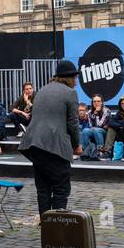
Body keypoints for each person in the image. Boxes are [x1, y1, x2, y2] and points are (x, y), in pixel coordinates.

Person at [18, 60, 81, 214]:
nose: (76, 81)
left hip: (34, 144)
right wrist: (76, 145)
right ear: (71, 78)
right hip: (54, 146)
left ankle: (46, 223)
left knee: (43, 188)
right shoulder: (70, 93)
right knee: (61, 188)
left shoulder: (42, 90)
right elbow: (73, 123)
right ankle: (56, 226)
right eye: (75, 77)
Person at [81, 95, 110, 160]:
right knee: (85, 130)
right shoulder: (89, 112)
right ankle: (86, 152)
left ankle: (100, 152)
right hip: (94, 130)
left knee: (96, 130)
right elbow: (91, 125)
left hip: (105, 132)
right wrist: (94, 114)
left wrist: (96, 114)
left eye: (98, 101)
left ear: (102, 102)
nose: (96, 103)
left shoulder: (106, 111)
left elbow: (100, 125)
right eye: (94, 101)